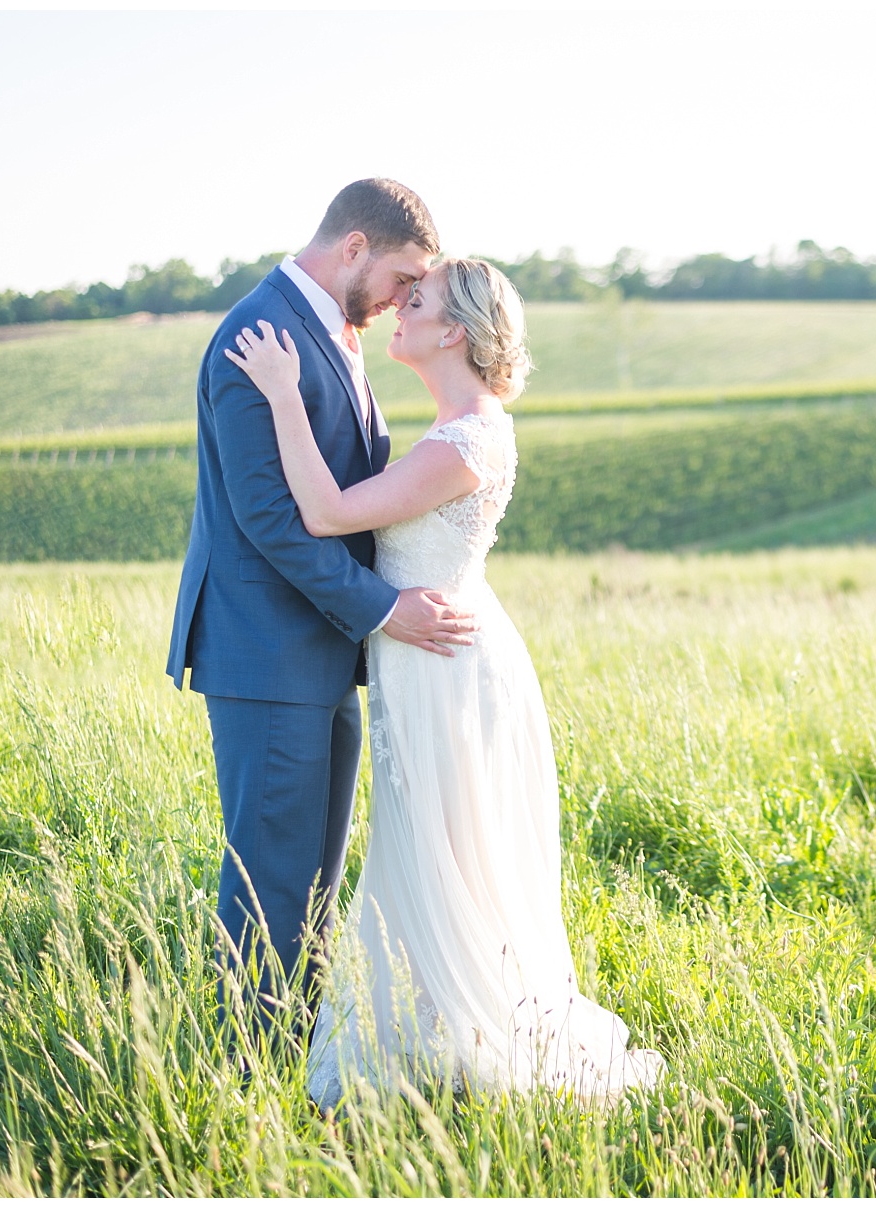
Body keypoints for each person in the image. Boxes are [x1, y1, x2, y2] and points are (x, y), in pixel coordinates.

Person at [224, 257, 663, 1108]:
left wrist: (283, 393)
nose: (397, 311)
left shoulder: (464, 441)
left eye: (414, 302)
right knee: (442, 853)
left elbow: (325, 515)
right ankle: (441, 1029)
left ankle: (470, 1037)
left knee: (444, 851)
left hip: (444, 669)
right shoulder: (461, 425)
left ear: (452, 330)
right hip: (437, 656)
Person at [165, 179, 480, 1041]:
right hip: (267, 653)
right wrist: (383, 610)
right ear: (354, 249)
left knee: (312, 880)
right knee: (270, 876)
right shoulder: (256, 334)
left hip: (323, 649)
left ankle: (297, 1053)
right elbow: (270, 517)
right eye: (401, 278)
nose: (402, 300)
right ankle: (245, 1066)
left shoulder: (335, 333)